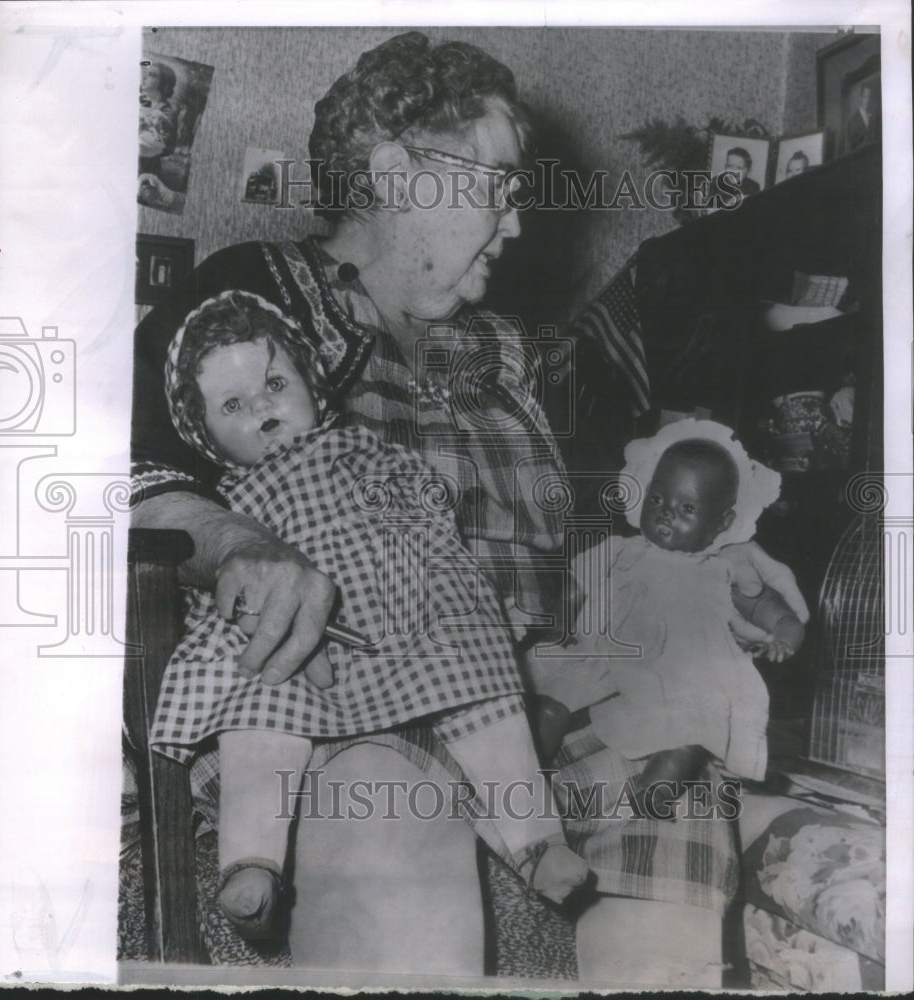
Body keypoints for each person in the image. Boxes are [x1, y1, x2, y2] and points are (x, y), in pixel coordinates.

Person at [131, 30, 809, 982]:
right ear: (398, 172)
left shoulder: (514, 351)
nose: (521, 225)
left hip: (531, 703)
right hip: (345, 699)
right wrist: (238, 541)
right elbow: (132, 473)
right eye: (500, 187)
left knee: (686, 813)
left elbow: (625, 537)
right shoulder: (259, 297)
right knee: (390, 795)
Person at [153, 289, 588, 938]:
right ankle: (252, 861)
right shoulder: (229, 505)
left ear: (311, 385)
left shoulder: (366, 450)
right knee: (257, 718)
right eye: (233, 406)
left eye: (275, 382)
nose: (264, 407)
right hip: (298, 641)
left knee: (483, 688)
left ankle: (536, 841)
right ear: (204, 435)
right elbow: (218, 584)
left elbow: (429, 513)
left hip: (403, 607)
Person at [529, 420, 805, 815]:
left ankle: (654, 792)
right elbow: (576, 584)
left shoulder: (721, 568)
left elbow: (772, 610)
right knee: (549, 703)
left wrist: (784, 635)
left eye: (686, 508)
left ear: (723, 522)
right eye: (657, 500)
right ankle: (523, 775)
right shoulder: (619, 550)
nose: (665, 515)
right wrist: (559, 627)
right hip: (604, 653)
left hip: (674, 672)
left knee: (689, 733)